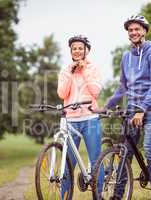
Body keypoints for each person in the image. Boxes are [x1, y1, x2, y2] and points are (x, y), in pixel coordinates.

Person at [104, 15, 151, 200]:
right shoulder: (126, 57)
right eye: (130, 30)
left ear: (145, 31)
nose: (134, 32)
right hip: (132, 107)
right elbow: (123, 86)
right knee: (125, 152)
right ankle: (118, 195)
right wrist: (106, 107)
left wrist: (142, 109)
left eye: (137, 29)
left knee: (149, 148)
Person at [57, 35, 104, 200]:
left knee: (96, 160)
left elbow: (96, 92)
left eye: (80, 48)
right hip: (71, 121)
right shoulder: (65, 69)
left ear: (86, 51)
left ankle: (98, 195)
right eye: (74, 48)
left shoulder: (93, 68)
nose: (77, 51)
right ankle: (65, 197)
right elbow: (62, 93)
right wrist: (71, 72)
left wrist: (83, 71)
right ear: (71, 51)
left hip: (90, 118)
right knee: (68, 164)